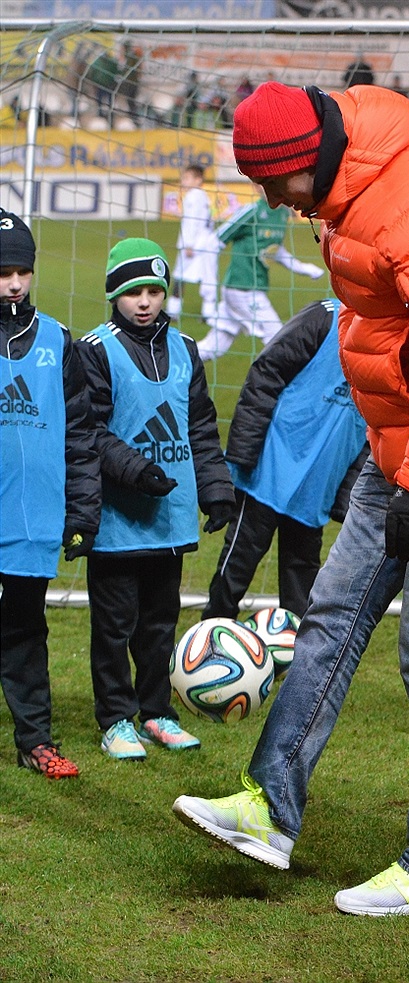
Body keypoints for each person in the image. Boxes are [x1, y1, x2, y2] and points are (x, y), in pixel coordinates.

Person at [172, 80, 409, 916]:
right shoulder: (345, 188)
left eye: (274, 182)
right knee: (330, 618)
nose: (271, 201)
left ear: (307, 157)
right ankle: (268, 806)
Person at [75, 238, 236, 760]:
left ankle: (156, 712)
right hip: (119, 519)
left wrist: (216, 490)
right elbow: (89, 431)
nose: (144, 302)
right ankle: (115, 719)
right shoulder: (94, 349)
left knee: (159, 624)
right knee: (114, 625)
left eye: (153, 291)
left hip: (170, 517)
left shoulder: (186, 348)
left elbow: (201, 427)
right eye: (132, 292)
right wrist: (137, 472)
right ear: (113, 295)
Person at [0, 209, 101, 779]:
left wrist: (81, 512)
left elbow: (81, 435)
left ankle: (35, 740)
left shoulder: (58, 341)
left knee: (25, 629)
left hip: (33, 518)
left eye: (22, 272)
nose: (15, 284)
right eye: (3, 273)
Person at [203, 296, 369, 622]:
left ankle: (296, 649)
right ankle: (211, 635)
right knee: (237, 566)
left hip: (318, 484)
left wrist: (345, 494)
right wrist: (244, 453)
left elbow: (377, 428)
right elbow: (266, 373)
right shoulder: (324, 317)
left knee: (301, 581)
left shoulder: (396, 342)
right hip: (268, 470)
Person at [197, 185, 324, 362]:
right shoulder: (252, 212)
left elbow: (274, 249)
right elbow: (212, 243)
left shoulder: (282, 214)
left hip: (254, 287)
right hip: (243, 289)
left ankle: (173, 360)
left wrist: (302, 268)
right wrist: (209, 294)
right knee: (279, 340)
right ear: (255, 186)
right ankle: (274, 380)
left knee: (213, 347)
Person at [165, 165, 220, 325]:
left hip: (194, 244)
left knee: (180, 276)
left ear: (198, 180)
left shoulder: (193, 196)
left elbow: (192, 222)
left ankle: (173, 311)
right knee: (208, 278)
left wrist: (188, 244)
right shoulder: (203, 196)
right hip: (206, 243)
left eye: (187, 178)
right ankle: (209, 313)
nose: (184, 181)